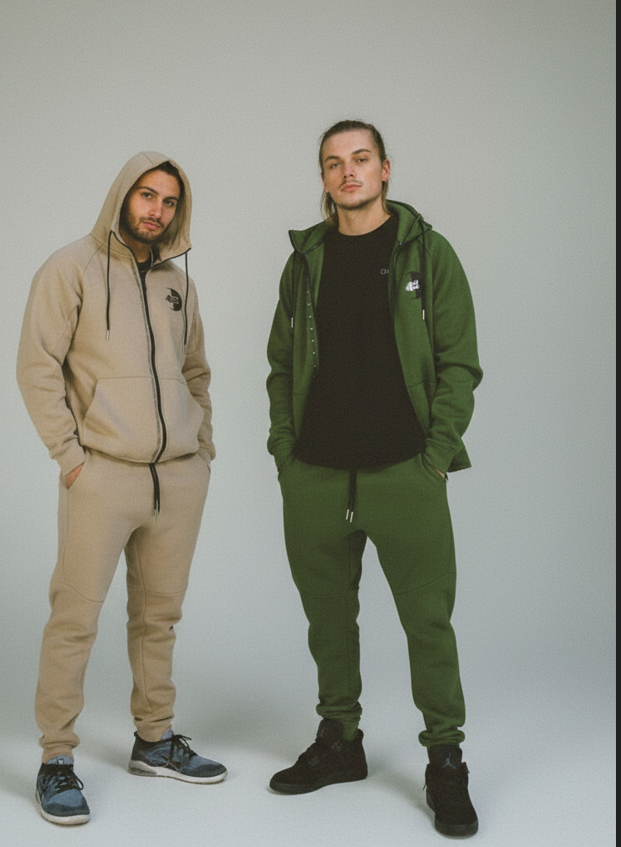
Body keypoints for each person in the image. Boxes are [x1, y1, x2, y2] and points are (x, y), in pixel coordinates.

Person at [266, 120, 482, 837]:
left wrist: (436, 454)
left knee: (428, 620)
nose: (347, 172)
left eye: (360, 159)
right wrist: (286, 455)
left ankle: (446, 758)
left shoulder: (429, 252)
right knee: (327, 620)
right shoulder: (306, 262)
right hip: (318, 475)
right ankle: (340, 742)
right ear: (323, 178)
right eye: (334, 163)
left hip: (405, 472)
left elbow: (460, 362)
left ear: (386, 169)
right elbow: (281, 365)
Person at [17, 152, 226, 826]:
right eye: (146, 195)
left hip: (178, 479)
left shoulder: (177, 286)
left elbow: (197, 371)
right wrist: (72, 458)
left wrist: (203, 450)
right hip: (102, 476)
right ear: (123, 195)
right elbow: (37, 365)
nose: (156, 210)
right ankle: (55, 757)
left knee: (158, 617)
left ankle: (155, 737)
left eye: (168, 201)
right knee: (75, 616)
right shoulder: (69, 268)